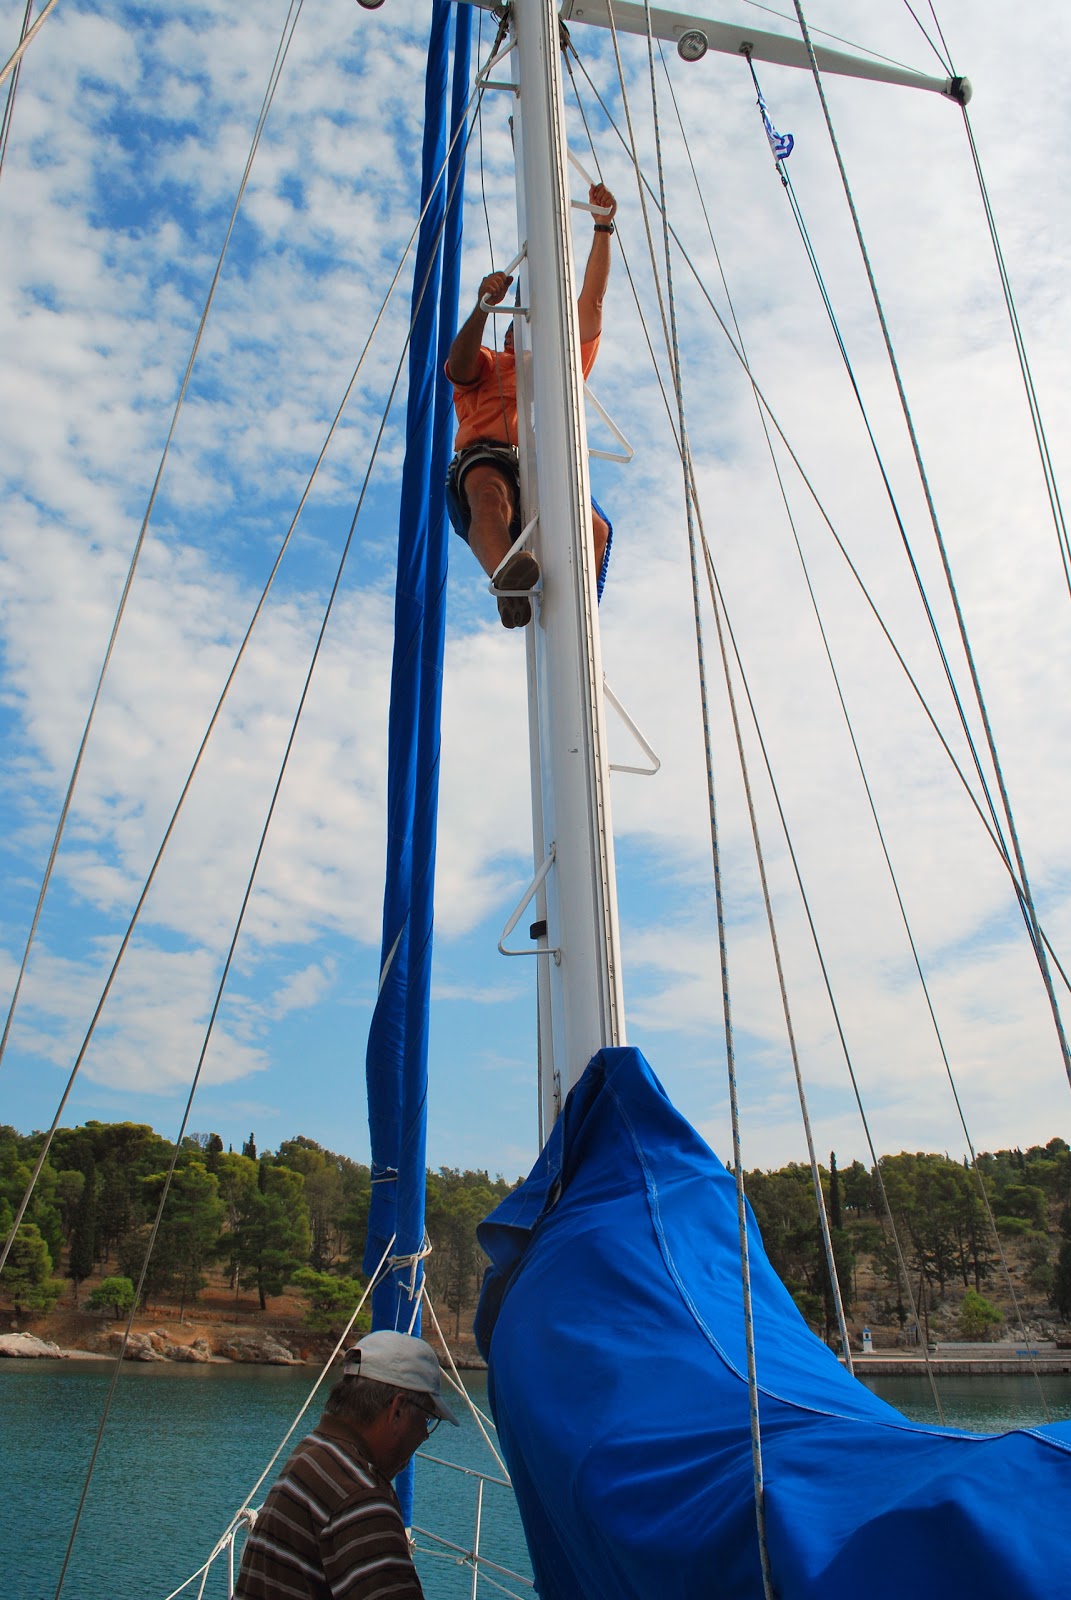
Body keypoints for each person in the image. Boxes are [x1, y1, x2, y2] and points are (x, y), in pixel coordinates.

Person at [445, 183, 617, 628]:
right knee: (489, 495)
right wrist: (483, 308)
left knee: (594, 531)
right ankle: (507, 580)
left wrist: (602, 228)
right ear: (513, 325)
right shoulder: (490, 361)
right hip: (489, 457)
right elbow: (458, 364)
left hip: (544, 463)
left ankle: (578, 629)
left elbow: (591, 303)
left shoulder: (558, 363)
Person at [234, 1329, 459, 1600]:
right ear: (397, 1410)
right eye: (425, 1419)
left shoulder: (313, 1451)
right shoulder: (360, 1499)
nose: (424, 1434)